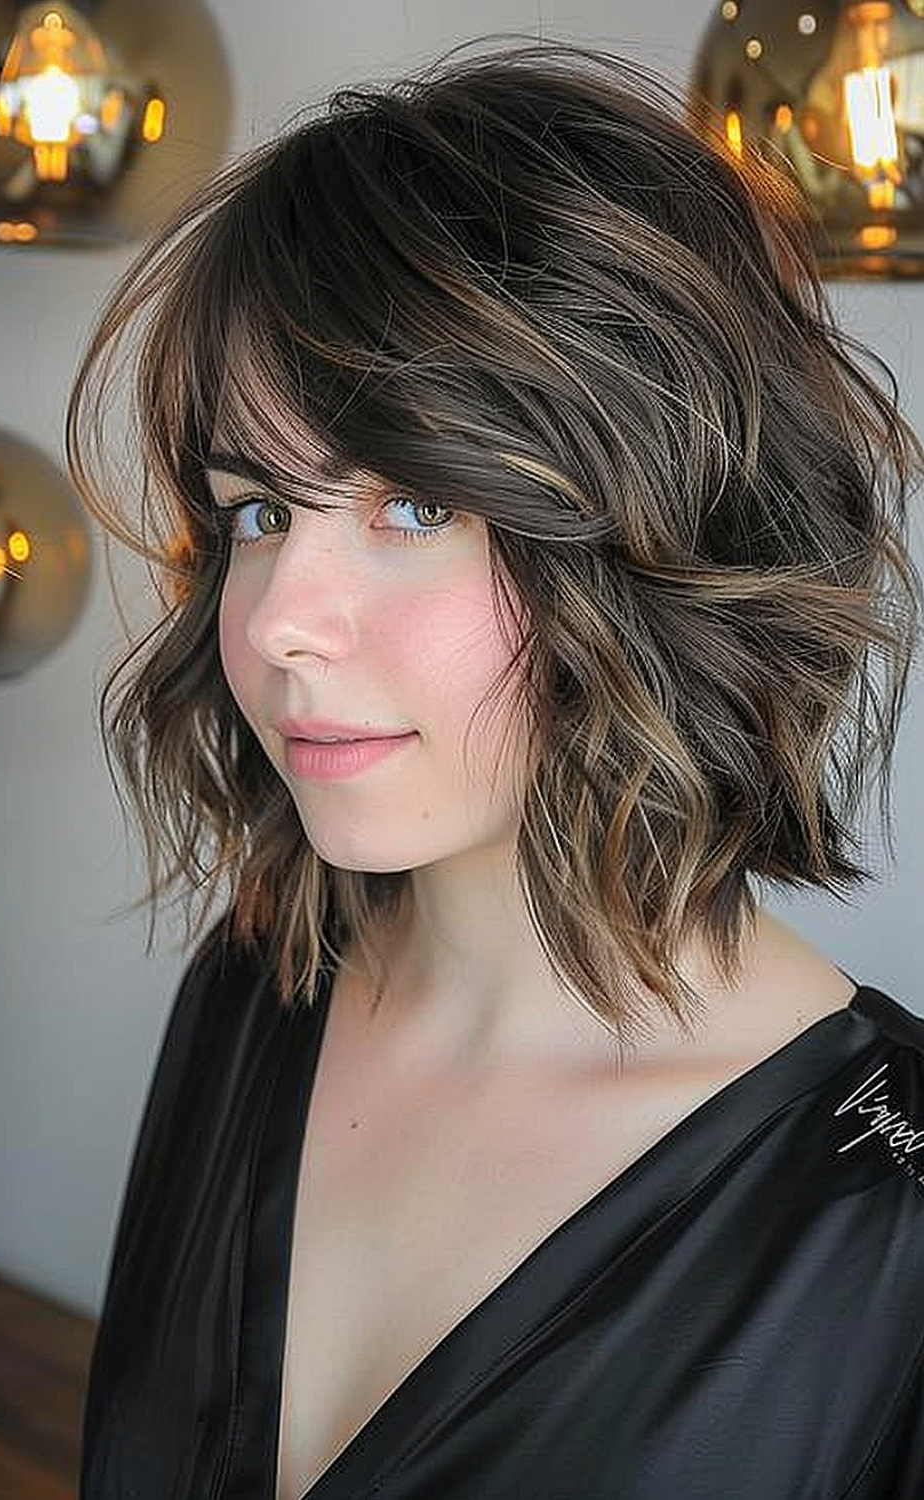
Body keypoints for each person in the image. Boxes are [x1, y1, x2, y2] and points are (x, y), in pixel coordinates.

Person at [67, 37, 924, 1500]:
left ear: (661, 531)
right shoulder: (255, 983)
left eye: (414, 505)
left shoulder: (886, 1217)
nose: (276, 623)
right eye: (259, 510)